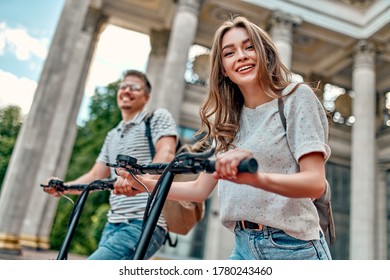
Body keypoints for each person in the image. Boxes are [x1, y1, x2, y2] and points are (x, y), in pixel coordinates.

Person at [114, 16, 332, 260]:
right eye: (230, 53)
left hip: (293, 248)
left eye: (249, 47)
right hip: (243, 245)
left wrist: (255, 179)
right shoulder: (228, 120)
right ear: (224, 70)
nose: (241, 56)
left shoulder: (295, 97)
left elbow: (315, 183)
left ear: (266, 54)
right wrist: (144, 184)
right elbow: (199, 189)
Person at [43, 69, 178, 260]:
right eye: (123, 87)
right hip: (113, 223)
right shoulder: (112, 134)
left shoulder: (156, 117)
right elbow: (96, 175)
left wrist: (139, 182)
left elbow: (166, 152)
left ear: (146, 97)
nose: (126, 90)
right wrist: (64, 187)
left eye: (134, 87)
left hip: (144, 221)